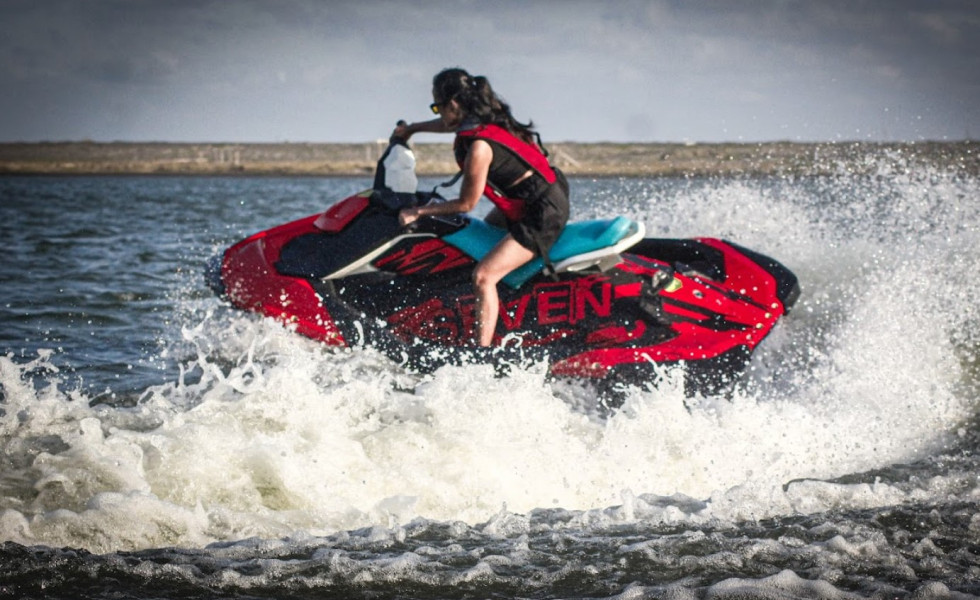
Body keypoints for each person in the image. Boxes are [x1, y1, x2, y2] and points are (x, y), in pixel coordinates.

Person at [395, 67, 570, 347]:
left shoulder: (479, 147)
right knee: (487, 233)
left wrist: (419, 211)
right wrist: (412, 130)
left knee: (484, 275)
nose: (438, 113)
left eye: (438, 106)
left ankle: (481, 352)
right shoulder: (485, 119)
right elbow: (446, 125)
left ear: (453, 104)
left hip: (541, 211)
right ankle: (505, 299)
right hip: (537, 196)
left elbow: (466, 203)